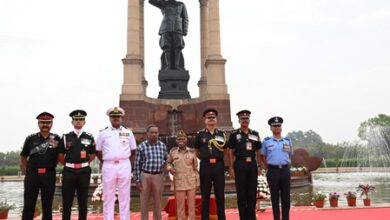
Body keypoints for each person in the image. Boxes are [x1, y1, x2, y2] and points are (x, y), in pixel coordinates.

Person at [96, 107, 137, 220]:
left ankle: (125, 218)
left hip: (124, 164)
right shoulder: (103, 133)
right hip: (108, 165)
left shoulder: (128, 133)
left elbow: (133, 149)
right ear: (110, 118)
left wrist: (123, 157)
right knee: (108, 195)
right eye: (113, 117)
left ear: (121, 118)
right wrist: (107, 160)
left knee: (125, 194)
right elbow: (98, 150)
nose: (116, 119)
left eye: (118, 117)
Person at [20, 112, 60, 220]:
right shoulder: (30, 139)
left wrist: (50, 166)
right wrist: (29, 169)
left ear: (51, 124)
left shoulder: (56, 139)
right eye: (42, 122)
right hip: (32, 176)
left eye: (48, 122)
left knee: (47, 206)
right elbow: (23, 157)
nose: (45, 125)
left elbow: (59, 157)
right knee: (29, 205)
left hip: (49, 175)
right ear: (38, 124)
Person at [58, 110, 96, 220]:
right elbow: (60, 155)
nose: (78, 121)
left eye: (81, 120)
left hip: (84, 172)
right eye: (76, 120)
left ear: (84, 122)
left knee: (83, 201)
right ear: (72, 122)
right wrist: (68, 164)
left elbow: (93, 153)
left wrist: (86, 162)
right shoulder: (66, 137)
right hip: (69, 172)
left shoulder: (89, 137)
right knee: (67, 201)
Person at [227, 110, 262, 220]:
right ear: (239, 121)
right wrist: (231, 167)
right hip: (240, 164)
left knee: (252, 192)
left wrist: (259, 166)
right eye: (243, 119)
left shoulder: (255, 134)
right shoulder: (234, 134)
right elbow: (230, 151)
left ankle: (251, 217)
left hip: (252, 164)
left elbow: (258, 151)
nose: (245, 121)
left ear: (249, 120)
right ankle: (243, 217)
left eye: (246, 119)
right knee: (241, 193)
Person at [194, 108, 227, 220]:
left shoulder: (222, 134)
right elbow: (196, 151)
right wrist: (205, 158)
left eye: (213, 117)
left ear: (216, 120)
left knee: (220, 195)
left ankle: (222, 218)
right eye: (209, 118)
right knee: (205, 195)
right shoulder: (200, 134)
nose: (211, 119)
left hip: (218, 166)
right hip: (206, 166)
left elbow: (225, 150)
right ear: (205, 120)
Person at [261, 116, 293, 220]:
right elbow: (262, 156)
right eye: (274, 126)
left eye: (279, 125)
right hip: (273, 171)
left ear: (281, 127)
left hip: (284, 170)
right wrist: (269, 167)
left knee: (286, 198)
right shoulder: (266, 141)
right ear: (271, 128)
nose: (277, 127)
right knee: (274, 198)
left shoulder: (287, 141)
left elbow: (289, 155)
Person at [134, 124, 168, 220]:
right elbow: (136, 164)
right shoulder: (141, 146)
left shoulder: (162, 146)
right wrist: (137, 180)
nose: (154, 134)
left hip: (158, 176)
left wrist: (171, 166)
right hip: (145, 175)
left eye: (156, 132)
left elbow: (167, 159)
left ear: (158, 134)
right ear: (147, 134)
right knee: (144, 202)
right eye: (151, 132)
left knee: (158, 202)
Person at [166, 130, 199, 220]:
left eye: (183, 139)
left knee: (191, 206)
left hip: (191, 182)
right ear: (176, 141)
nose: (181, 140)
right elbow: (168, 163)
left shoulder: (192, 152)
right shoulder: (173, 152)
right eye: (179, 139)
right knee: (180, 207)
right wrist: (170, 168)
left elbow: (196, 169)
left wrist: (197, 182)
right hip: (179, 182)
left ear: (186, 140)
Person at [149, 0, 188, 70]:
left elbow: (185, 18)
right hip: (166, 28)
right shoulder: (163, 4)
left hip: (178, 29)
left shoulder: (181, 4)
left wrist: (185, 30)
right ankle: (168, 66)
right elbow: (151, 1)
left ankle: (176, 65)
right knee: (166, 47)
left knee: (178, 47)